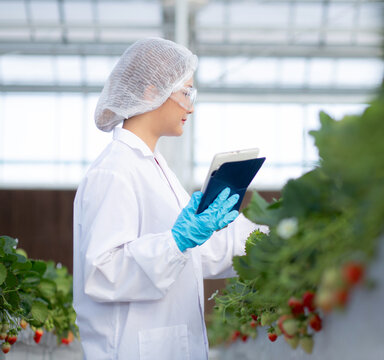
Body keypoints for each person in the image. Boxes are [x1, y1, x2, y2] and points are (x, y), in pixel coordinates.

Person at [73, 38, 264, 360]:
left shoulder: (153, 166)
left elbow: (194, 256)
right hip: (131, 349)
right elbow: (102, 273)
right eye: (186, 92)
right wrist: (177, 240)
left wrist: (267, 240)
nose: (190, 106)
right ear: (151, 92)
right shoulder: (114, 171)